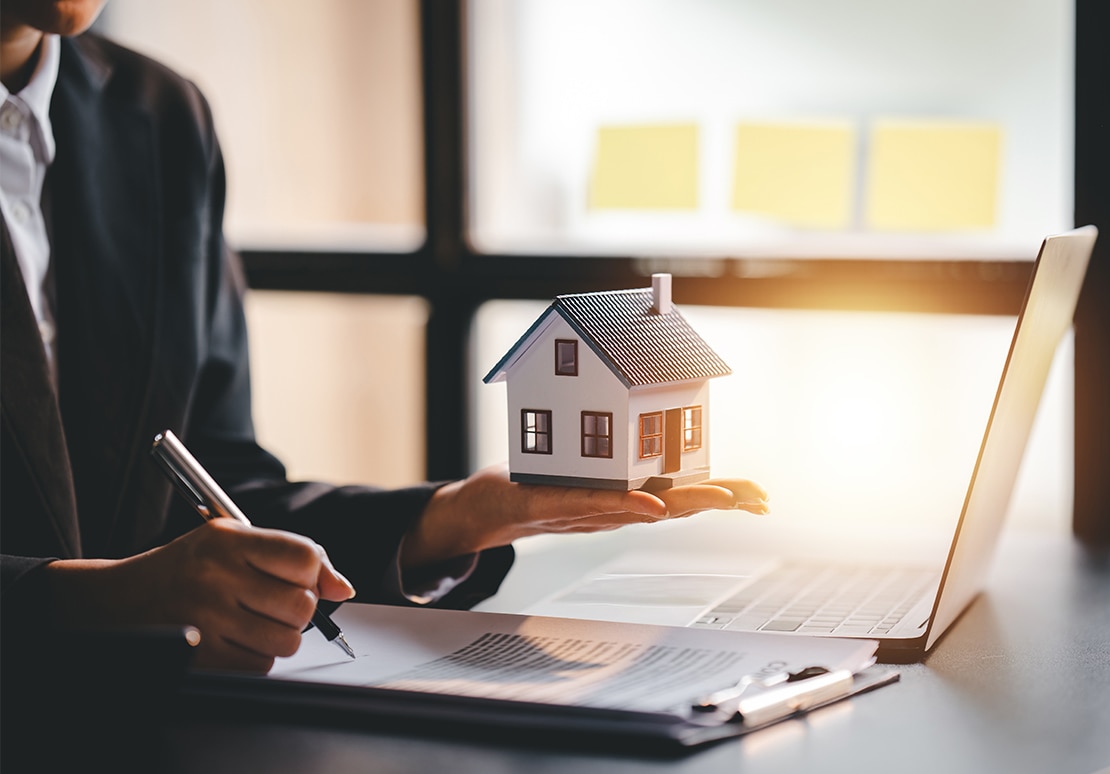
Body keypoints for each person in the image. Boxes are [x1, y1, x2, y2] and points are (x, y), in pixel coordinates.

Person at [0, 0, 768, 676]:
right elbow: (141, 570)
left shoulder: (159, 116)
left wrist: (450, 520)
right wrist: (94, 598)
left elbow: (216, 483)